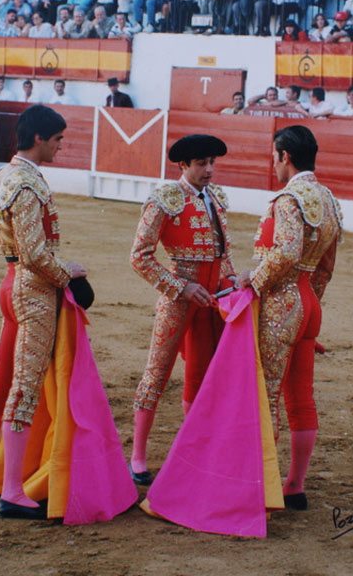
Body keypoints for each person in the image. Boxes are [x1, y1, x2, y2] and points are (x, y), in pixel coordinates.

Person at [0, 105, 87, 519]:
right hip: (33, 290)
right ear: (39, 138)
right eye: (57, 139)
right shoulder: (25, 183)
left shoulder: (2, 176)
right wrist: (67, 274)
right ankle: (10, 492)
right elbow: (36, 253)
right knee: (24, 386)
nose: (61, 145)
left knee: (2, 379)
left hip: (10, 284)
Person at [237, 125, 342, 510]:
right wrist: (310, 305)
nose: (273, 163)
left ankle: (259, 486)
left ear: (285, 157)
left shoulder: (288, 199)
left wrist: (255, 283)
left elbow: (284, 253)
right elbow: (326, 265)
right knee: (301, 397)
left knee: (266, 396)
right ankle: (294, 485)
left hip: (283, 304)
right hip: (310, 303)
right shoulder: (328, 199)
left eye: (273, 155)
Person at [129, 134, 236, 484]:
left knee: (201, 377)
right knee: (157, 372)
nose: (209, 170)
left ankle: (192, 449)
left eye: (212, 163)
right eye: (202, 164)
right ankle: (138, 458)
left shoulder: (218, 198)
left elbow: (225, 253)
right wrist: (180, 287)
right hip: (180, 297)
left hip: (212, 299)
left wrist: (231, 284)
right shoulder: (165, 199)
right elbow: (140, 257)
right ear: (183, 166)